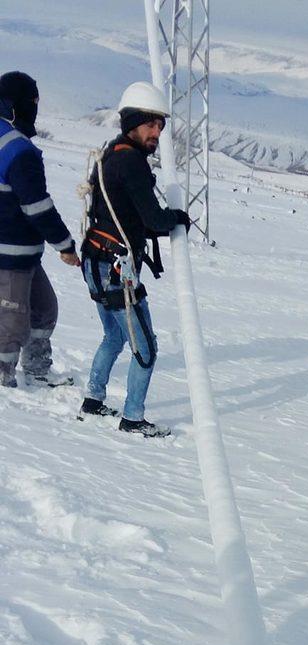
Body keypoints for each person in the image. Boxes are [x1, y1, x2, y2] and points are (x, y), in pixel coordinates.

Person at [79, 81, 190, 437]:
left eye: (161, 125)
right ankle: (132, 418)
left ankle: (93, 399)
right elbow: (153, 220)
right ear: (133, 122)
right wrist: (178, 218)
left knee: (113, 336)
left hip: (95, 260)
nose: (157, 131)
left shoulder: (113, 152)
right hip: (117, 269)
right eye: (150, 123)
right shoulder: (132, 163)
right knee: (146, 348)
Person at [0, 71, 80, 389]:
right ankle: (4, 383)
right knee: (12, 322)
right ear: (14, 105)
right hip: (10, 253)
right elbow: (37, 206)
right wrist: (64, 244)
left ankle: (37, 369)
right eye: (32, 102)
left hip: (24, 252)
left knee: (44, 310)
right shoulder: (17, 149)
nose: (35, 108)